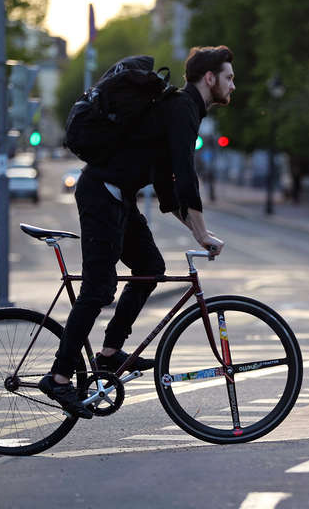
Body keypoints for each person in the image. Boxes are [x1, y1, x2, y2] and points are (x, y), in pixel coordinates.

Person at [39, 46, 234, 418]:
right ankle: (60, 378)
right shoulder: (182, 108)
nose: (233, 85)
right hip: (101, 194)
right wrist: (202, 230)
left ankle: (110, 353)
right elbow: (184, 173)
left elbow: (167, 186)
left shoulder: (179, 110)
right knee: (98, 289)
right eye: (229, 77)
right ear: (209, 78)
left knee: (150, 268)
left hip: (118, 198)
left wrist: (197, 232)